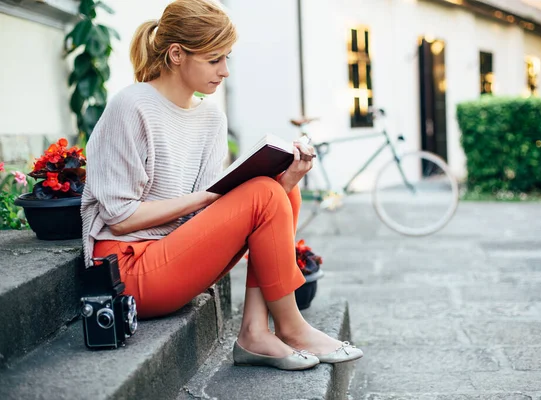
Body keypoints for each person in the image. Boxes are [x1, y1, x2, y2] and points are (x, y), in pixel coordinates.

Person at [81, 0, 362, 371]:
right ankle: (292, 328)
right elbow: (119, 218)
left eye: (227, 58)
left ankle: (255, 333)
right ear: (177, 54)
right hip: (128, 268)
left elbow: (203, 212)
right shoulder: (131, 107)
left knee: (281, 189)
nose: (225, 71)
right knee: (264, 193)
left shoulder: (211, 117)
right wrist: (208, 195)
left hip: (173, 253)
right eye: (214, 60)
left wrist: (287, 178)